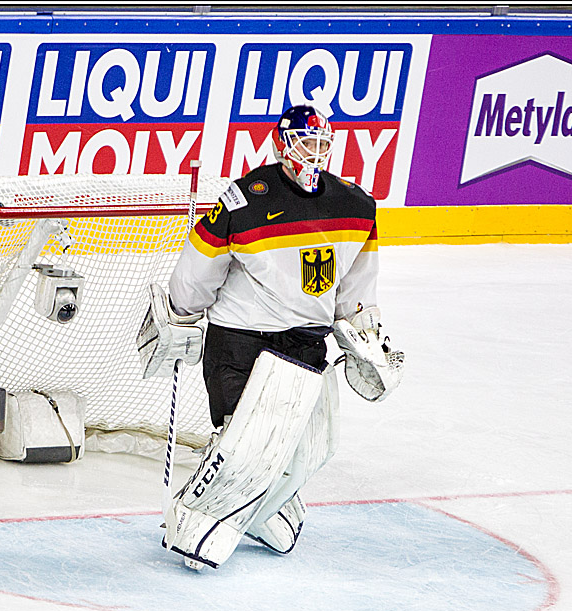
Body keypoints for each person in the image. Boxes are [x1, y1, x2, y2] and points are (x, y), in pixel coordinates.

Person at [138, 104, 404, 571]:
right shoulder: (244, 200)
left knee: (315, 448)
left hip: (306, 342)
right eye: (305, 142)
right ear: (282, 144)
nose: (314, 152)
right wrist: (180, 314)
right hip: (241, 340)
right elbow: (199, 268)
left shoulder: (356, 205)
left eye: (322, 143)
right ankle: (197, 521)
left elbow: (357, 283)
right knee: (243, 447)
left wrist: (361, 330)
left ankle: (259, 511)